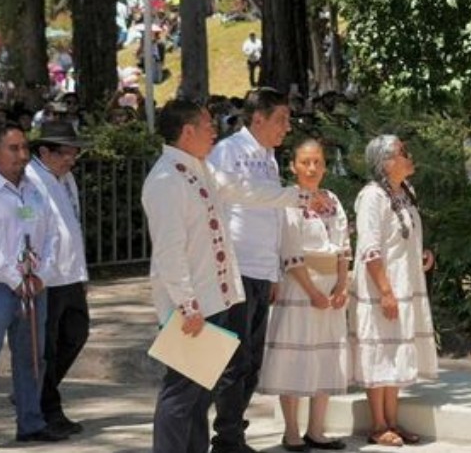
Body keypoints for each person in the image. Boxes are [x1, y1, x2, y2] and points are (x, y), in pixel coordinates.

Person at [142, 99, 329, 453]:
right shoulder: (166, 179)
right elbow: (169, 253)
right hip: (192, 305)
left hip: (215, 296)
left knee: (200, 393)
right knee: (180, 394)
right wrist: (186, 305)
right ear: (187, 131)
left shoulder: (198, 168)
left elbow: (245, 190)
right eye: (207, 125)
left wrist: (298, 196)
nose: (215, 131)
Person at [0, 121, 67, 453]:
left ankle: (31, 423)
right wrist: (13, 277)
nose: (22, 155)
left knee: (32, 357)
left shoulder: (35, 188)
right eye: (13, 148)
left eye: (25, 148)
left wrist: (40, 275)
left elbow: (51, 236)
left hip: (33, 287)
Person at [206, 87, 293, 453]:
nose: (287, 127)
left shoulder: (270, 157)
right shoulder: (227, 152)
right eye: (281, 119)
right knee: (233, 358)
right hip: (235, 269)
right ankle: (227, 437)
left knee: (253, 361)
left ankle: (233, 430)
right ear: (258, 119)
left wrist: (274, 271)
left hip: (262, 271)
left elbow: (272, 216)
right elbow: (221, 206)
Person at [257, 139, 351, 452]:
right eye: (305, 162)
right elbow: (289, 250)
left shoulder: (333, 200)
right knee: (295, 354)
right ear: (293, 166)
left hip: (329, 288)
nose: (312, 168)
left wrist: (342, 283)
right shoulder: (289, 200)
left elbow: (342, 243)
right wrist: (312, 291)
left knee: (324, 354)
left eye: (317, 162)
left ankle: (317, 430)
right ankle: (292, 431)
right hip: (300, 288)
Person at [350, 135, 437, 447]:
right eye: (403, 152)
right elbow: (370, 249)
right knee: (379, 351)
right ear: (386, 163)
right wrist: (385, 291)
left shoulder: (406, 192)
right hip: (381, 287)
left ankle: (393, 421)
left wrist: (421, 254)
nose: (409, 156)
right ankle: (378, 424)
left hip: (404, 282)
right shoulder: (372, 197)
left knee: (396, 352)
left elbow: (403, 237)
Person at [26, 121, 92, 437]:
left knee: (76, 334)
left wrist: (82, 273)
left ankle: (35, 391)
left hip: (70, 273)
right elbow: (25, 223)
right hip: (46, 277)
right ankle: (47, 408)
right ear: (44, 152)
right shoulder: (29, 180)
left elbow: (73, 223)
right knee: (47, 346)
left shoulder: (66, 180)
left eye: (73, 153)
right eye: (65, 153)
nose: (71, 159)